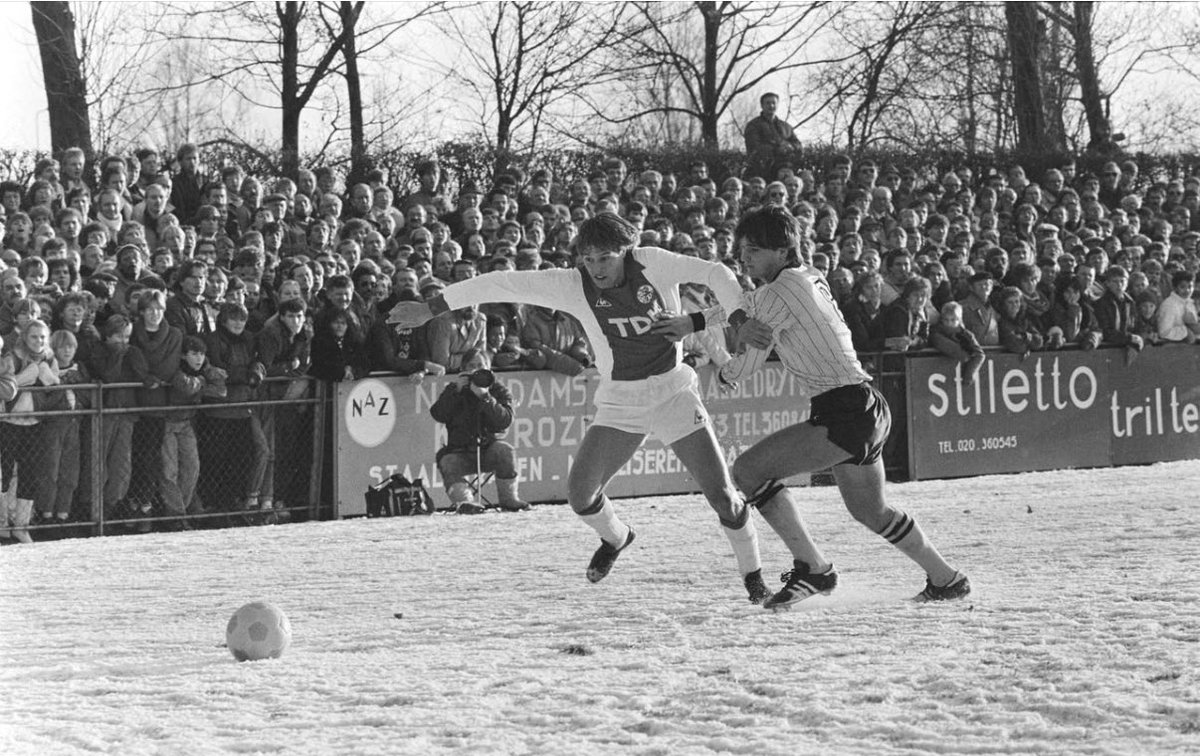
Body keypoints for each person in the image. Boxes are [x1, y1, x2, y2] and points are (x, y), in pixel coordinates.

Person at [389, 211, 770, 603]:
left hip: (672, 392)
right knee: (580, 495)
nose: (596, 269)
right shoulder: (571, 285)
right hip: (621, 400)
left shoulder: (653, 262)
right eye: (588, 259)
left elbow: (717, 272)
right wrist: (432, 308)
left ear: (626, 250)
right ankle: (617, 537)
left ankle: (754, 575)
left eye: (605, 258)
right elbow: (501, 282)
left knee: (722, 495)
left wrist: (739, 317)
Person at [713, 206, 971, 609]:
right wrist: (691, 321)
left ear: (782, 251)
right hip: (866, 404)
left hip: (845, 410)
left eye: (754, 249)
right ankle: (946, 578)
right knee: (872, 511)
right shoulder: (809, 276)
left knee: (747, 472)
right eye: (741, 249)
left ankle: (814, 568)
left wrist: (725, 375)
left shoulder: (778, 290)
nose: (744, 257)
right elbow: (743, 307)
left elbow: (750, 353)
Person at [429, 348, 531, 514]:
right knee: (447, 461)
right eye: (471, 366)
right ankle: (465, 502)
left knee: (506, 451)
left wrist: (486, 398)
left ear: (489, 368)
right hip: (460, 451)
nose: (475, 369)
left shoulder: (499, 390)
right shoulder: (454, 389)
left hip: (489, 449)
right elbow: (438, 414)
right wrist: (456, 392)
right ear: (463, 369)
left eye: (480, 366)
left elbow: (505, 420)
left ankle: (509, 499)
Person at [744, 92, 801, 181]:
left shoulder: (786, 127)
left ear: (777, 105)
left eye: (773, 103)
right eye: (768, 103)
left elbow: (798, 145)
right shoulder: (753, 125)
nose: (771, 106)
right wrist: (777, 148)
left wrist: (790, 147)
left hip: (787, 169)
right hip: (763, 171)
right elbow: (754, 147)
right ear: (762, 106)